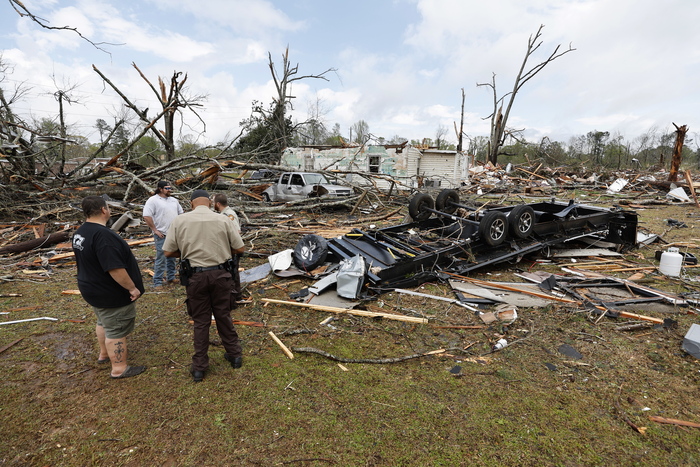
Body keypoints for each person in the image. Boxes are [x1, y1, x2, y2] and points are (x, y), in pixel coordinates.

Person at [163, 190, 245, 382]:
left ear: (191, 203)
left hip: (195, 277)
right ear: (210, 202)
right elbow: (240, 248)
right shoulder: (223, 219)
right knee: (223, 315)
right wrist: (223, 250)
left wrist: (186, 253)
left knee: (201, 321)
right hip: (221, 275)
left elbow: (167, 252)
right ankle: (235, 356)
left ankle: (199, 367)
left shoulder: (180, 221)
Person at [72, 196, 146, 379]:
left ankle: (104, 354)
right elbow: (114, 268)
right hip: (109, 292)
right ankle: (119, 368)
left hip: (91, 288)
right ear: (104, 210)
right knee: (115, 329)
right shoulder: (103, 235)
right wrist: (132, 288)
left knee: (103, 321)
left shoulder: (80, 232)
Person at [143, 180, 183, 287]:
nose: (169, 190)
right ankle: (158, 281)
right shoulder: (153, 200)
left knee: (172, 257)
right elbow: (147, 216)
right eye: (167, 188)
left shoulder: (174, 201)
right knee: (161, 257)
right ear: (160, 189)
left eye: (170, 188)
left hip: (173, 234)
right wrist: (155, 230)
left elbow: (181, 214)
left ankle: (171, 277)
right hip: (161, 234)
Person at [213, 193, 243, 301]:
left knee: (233, 272)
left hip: (232, 249)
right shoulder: (223, 214)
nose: (213, 205)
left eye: (213, 202)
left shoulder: (228, 215)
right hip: (227, 248)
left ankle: (236, 296)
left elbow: (236, 231)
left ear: (218, 203)